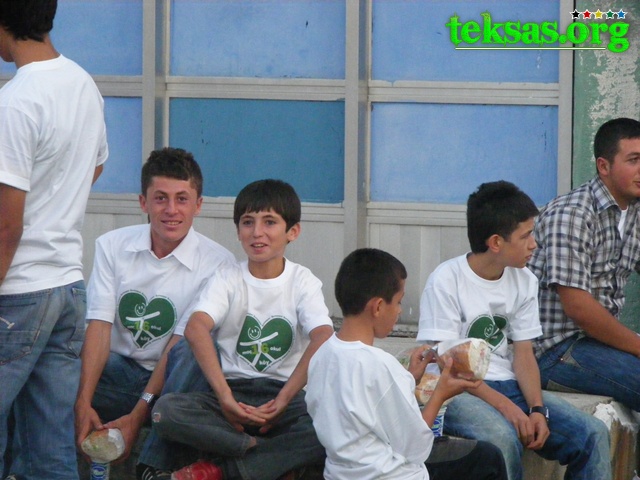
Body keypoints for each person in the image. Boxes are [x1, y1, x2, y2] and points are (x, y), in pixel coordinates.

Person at [138, 179, 334, 480]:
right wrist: (225, 397)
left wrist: (283, 400)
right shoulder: (227, 277)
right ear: (238, 230)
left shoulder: (303, 281)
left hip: (284, 398)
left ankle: (220, 469)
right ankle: (263, 457)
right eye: (247, 222)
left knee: (329, 424)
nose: (257, 232)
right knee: (166, 411)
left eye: (270, 222)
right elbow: (196, 327)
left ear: (293, 231)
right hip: (232, 394)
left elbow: (323, 336)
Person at [418, 181, 611, 480]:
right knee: (503, 440)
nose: (534, 244)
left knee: (592, 433)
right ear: (496, 242)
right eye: (526, 236)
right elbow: (449, 366)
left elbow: (524, 354)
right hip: (455, 391)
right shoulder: (446, 279)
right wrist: (508, 409)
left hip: (507, 384)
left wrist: (536, 409)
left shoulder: (524, 280)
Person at [0, 0, 109, 478]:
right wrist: (55, 204)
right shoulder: (83, 84)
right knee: (51, 448)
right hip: (67, 287)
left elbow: (6, 228)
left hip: (17, 292)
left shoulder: (15, 101)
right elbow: (95, 165)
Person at [74, 148, 234, 463]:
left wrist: (137, 415)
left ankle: (151, 463)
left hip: (173, 387)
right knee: (58, 360)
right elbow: (100, 326)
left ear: (198, 205)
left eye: (182, 199)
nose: (171, 210)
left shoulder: (219, 263)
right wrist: (83, 401)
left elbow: (179, 346)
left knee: (195, 347)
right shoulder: (112, 246)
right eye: (160, 198)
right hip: (118, 375)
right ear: (143, 202)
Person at [306, 248, 508, 480]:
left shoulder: (322, 356)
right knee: (488, 458)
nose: (400, 311)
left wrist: (410, 378)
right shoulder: (380, 365)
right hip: (391, 475)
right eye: (398, 302)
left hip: (340, 474)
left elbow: (362, 407)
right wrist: (440, 394)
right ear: (378, 307)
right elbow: (417, 449)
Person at [528, 117, 640, 411]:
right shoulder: (572, 214)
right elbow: (578, 308)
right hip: (554, 350)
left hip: (597, 343)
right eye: (633, 160)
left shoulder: (633, 211)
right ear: (604, 166)